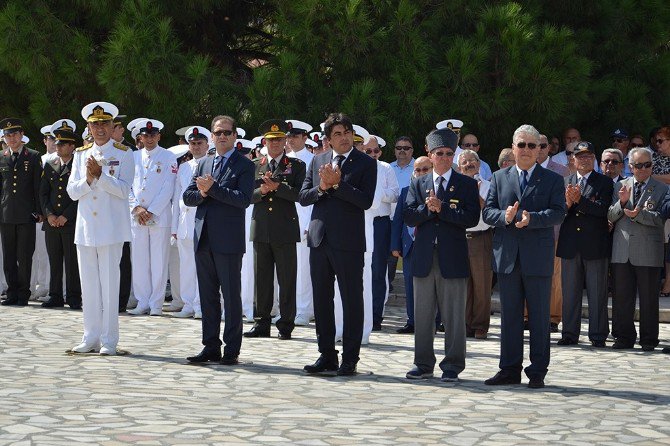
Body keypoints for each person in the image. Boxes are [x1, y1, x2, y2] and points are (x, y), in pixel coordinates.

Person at [482, 124, 566, 389]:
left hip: (537, 257)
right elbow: (488, 212)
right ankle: (509, 369)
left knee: (540, 317)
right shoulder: (499, 176)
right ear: (513, 147)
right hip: (508, 257)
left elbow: (558, 212)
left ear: (540, 149)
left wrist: (533, 219)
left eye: (533, 145)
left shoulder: (552, 179)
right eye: (522, 145)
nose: (527, 150)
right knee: (509, 317)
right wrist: (504, 217)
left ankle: (538, 370)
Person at [298, 112, 377, 376]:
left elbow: (365, 201)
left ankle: (350, 358)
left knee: (351, 299)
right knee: (321, 299)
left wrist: (337, 185)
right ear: (328, 140)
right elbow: (304, 196)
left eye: (347, 133)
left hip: (348, 242)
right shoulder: (318, 160)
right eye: (337, 135)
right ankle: (326, 355)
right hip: (319, 239)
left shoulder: (365, 163)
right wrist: (322, 188)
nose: (344, 139)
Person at [404, 129, 479, 382]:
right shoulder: (418, 182)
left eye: (449, 153)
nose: (444, 158)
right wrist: (428, 210)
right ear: (430, 154)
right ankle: (423, 363)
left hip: (453, 256)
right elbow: (408, 215)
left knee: (454, 316)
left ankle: (453, 365)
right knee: (423, 315)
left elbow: (470, 218)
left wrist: (443, 209)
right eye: (439, 153)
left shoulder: (467, 184)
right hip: (424, 256)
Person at [183, 115, 254, 365]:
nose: (222, 136)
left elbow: (243, 199)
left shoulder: (244, 165)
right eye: (217, 132)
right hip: (203, 238)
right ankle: (210, 346)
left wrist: (213, 189)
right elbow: (188, 197)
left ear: (235, 136)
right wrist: (203, 192)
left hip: (228, 240)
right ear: (212, 136)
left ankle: (231, 349)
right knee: (208, 297)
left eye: (226, 132)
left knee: (231, 297)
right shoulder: (204, 163)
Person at [67, 102, 134, 355]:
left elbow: (125, 190)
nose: (100, 128)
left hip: (111, 228)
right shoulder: (81, 154)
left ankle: (109, 340)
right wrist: (88, 179)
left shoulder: (125, 153)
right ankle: (90, 336)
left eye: (105, 123)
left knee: (109, 285)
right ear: (89, 127)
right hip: (86, 229)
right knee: (90, 287)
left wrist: (101, 176)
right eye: (95, 124)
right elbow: (72, 192)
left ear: (113, 126)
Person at [244, 119, 305, 340]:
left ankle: (286, 324)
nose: (276, 143)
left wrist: (278, 187)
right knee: (262, 278)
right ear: (265, 142)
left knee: (287, 279)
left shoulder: (296, 165)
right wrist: (263, 190)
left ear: (285, 140)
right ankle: (261, 322)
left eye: (279, 139)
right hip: (261, 227)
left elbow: (300, 194)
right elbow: (246, 197)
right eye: (271, 140)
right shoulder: (254, 165)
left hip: (285, 228)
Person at [609, 147, 667, 351]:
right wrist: (622, 202)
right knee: (622, 297)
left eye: (648, 165)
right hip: (622, 250)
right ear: (630, 167)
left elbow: (661, 219)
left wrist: (638, 215)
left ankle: (649, 339)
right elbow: (610, 215)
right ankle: (624, 337)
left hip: (649, 251)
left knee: (649, 299)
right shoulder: (620, 186)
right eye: (639, 165)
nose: (643, 169)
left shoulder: (663, 189)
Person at [556, 142, 612, 348]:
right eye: (580, 156)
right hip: (571, 244)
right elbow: (557, 213)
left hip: (595, 245)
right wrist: (568, 204)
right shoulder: (565, 181)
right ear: (573, 160)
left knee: (597, 293)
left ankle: (598, 335)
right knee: (570, 293)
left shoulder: (604, 182)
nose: (584, 160)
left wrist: (580, 201)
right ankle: (569, 333)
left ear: (594, 159)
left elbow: (603, 210)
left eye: (588, 156)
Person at [126, 119, 178, 316]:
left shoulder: (168, 157)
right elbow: (128, 186)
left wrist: (152, 210)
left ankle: (156, 303)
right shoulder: (133, 157)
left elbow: (168, 187)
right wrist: (137, 208)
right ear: (140, 137)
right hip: (137, 217)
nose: (149, 138)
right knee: (139, 261)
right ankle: (142, 301)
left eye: (152, 135)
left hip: (159, 216)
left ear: (159, 136)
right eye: (145, 135)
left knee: (158, 261)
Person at [0, 118, 43, 307]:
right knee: (8, 256)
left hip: (26, 215)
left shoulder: (32, 156)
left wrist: (39, 211)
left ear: (21, 135)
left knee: (24, 256)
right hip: (6, 214)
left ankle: (23, 293)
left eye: (14, 135)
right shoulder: (1, 156)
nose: (12, 139)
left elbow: (37, 187)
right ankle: (11, 292)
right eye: (8, 136)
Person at [39, 127, 81, 309]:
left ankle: (73, 297)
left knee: (72, 263)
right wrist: (49, 214)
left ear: (72, 146)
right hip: (52, 222)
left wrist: (66, 215)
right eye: (57, 143)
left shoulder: (79, 165)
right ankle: (55, 295)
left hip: (70, 222)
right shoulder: (50, 164)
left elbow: (81, 195)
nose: (58, 147)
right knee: (54, 260)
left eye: (62, 144)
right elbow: (43, 193)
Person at [171, 126, 210, 319]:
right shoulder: (184, 167)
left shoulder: (211, 165)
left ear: (207, 144)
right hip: (184, 223)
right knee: (186, 266)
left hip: (201, 221)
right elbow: (177, 198)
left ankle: (201, 304)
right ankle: (188, 304)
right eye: (192, 143)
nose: (195, 147)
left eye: (199, 143)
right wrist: (174, 228)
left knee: (202, 266)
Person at [391, 156, 432, 334]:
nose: (421, 173)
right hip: (409, 246)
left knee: (432, 285)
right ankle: (412, 321)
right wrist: (395, 245)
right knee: (409, 283)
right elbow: (398, 221)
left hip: (430, 246)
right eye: (418, 170)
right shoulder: (405, 191)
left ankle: (436, 321)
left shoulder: (436, 192)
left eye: (425, 169)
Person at [363, 135, 399, 331]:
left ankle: (376, 316)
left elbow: (395, 194)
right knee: (359, 269)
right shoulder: (356, 166)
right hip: (359, 222)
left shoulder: (386, 168)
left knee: (378, 270)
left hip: (380, 223)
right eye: (368, 151)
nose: (372, 154)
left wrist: (380, 193)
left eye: (375, 151)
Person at [458, 149, 493, 339]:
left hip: (481, 237)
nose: (469, 164)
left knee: (482, 284)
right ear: (459, 165)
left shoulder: (488, 186)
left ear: (479, 165)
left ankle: (480, 325)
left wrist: (479, 199)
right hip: (460, 238)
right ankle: (464, 323)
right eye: (465, 161)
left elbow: (491, 214)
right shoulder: (455, 186)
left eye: (472, 160)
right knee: (463, 284)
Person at [285, 119, 315, 326]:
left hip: (304, 219)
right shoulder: (283, 160)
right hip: (283, 220)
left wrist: (309, 224)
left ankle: (304, 310)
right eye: (289, 136)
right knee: (285, 268)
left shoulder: (313, 160)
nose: (291, 140)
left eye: (295, 136)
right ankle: (286, 308)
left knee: (303, 269)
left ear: (305, 137)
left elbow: (313, 195)